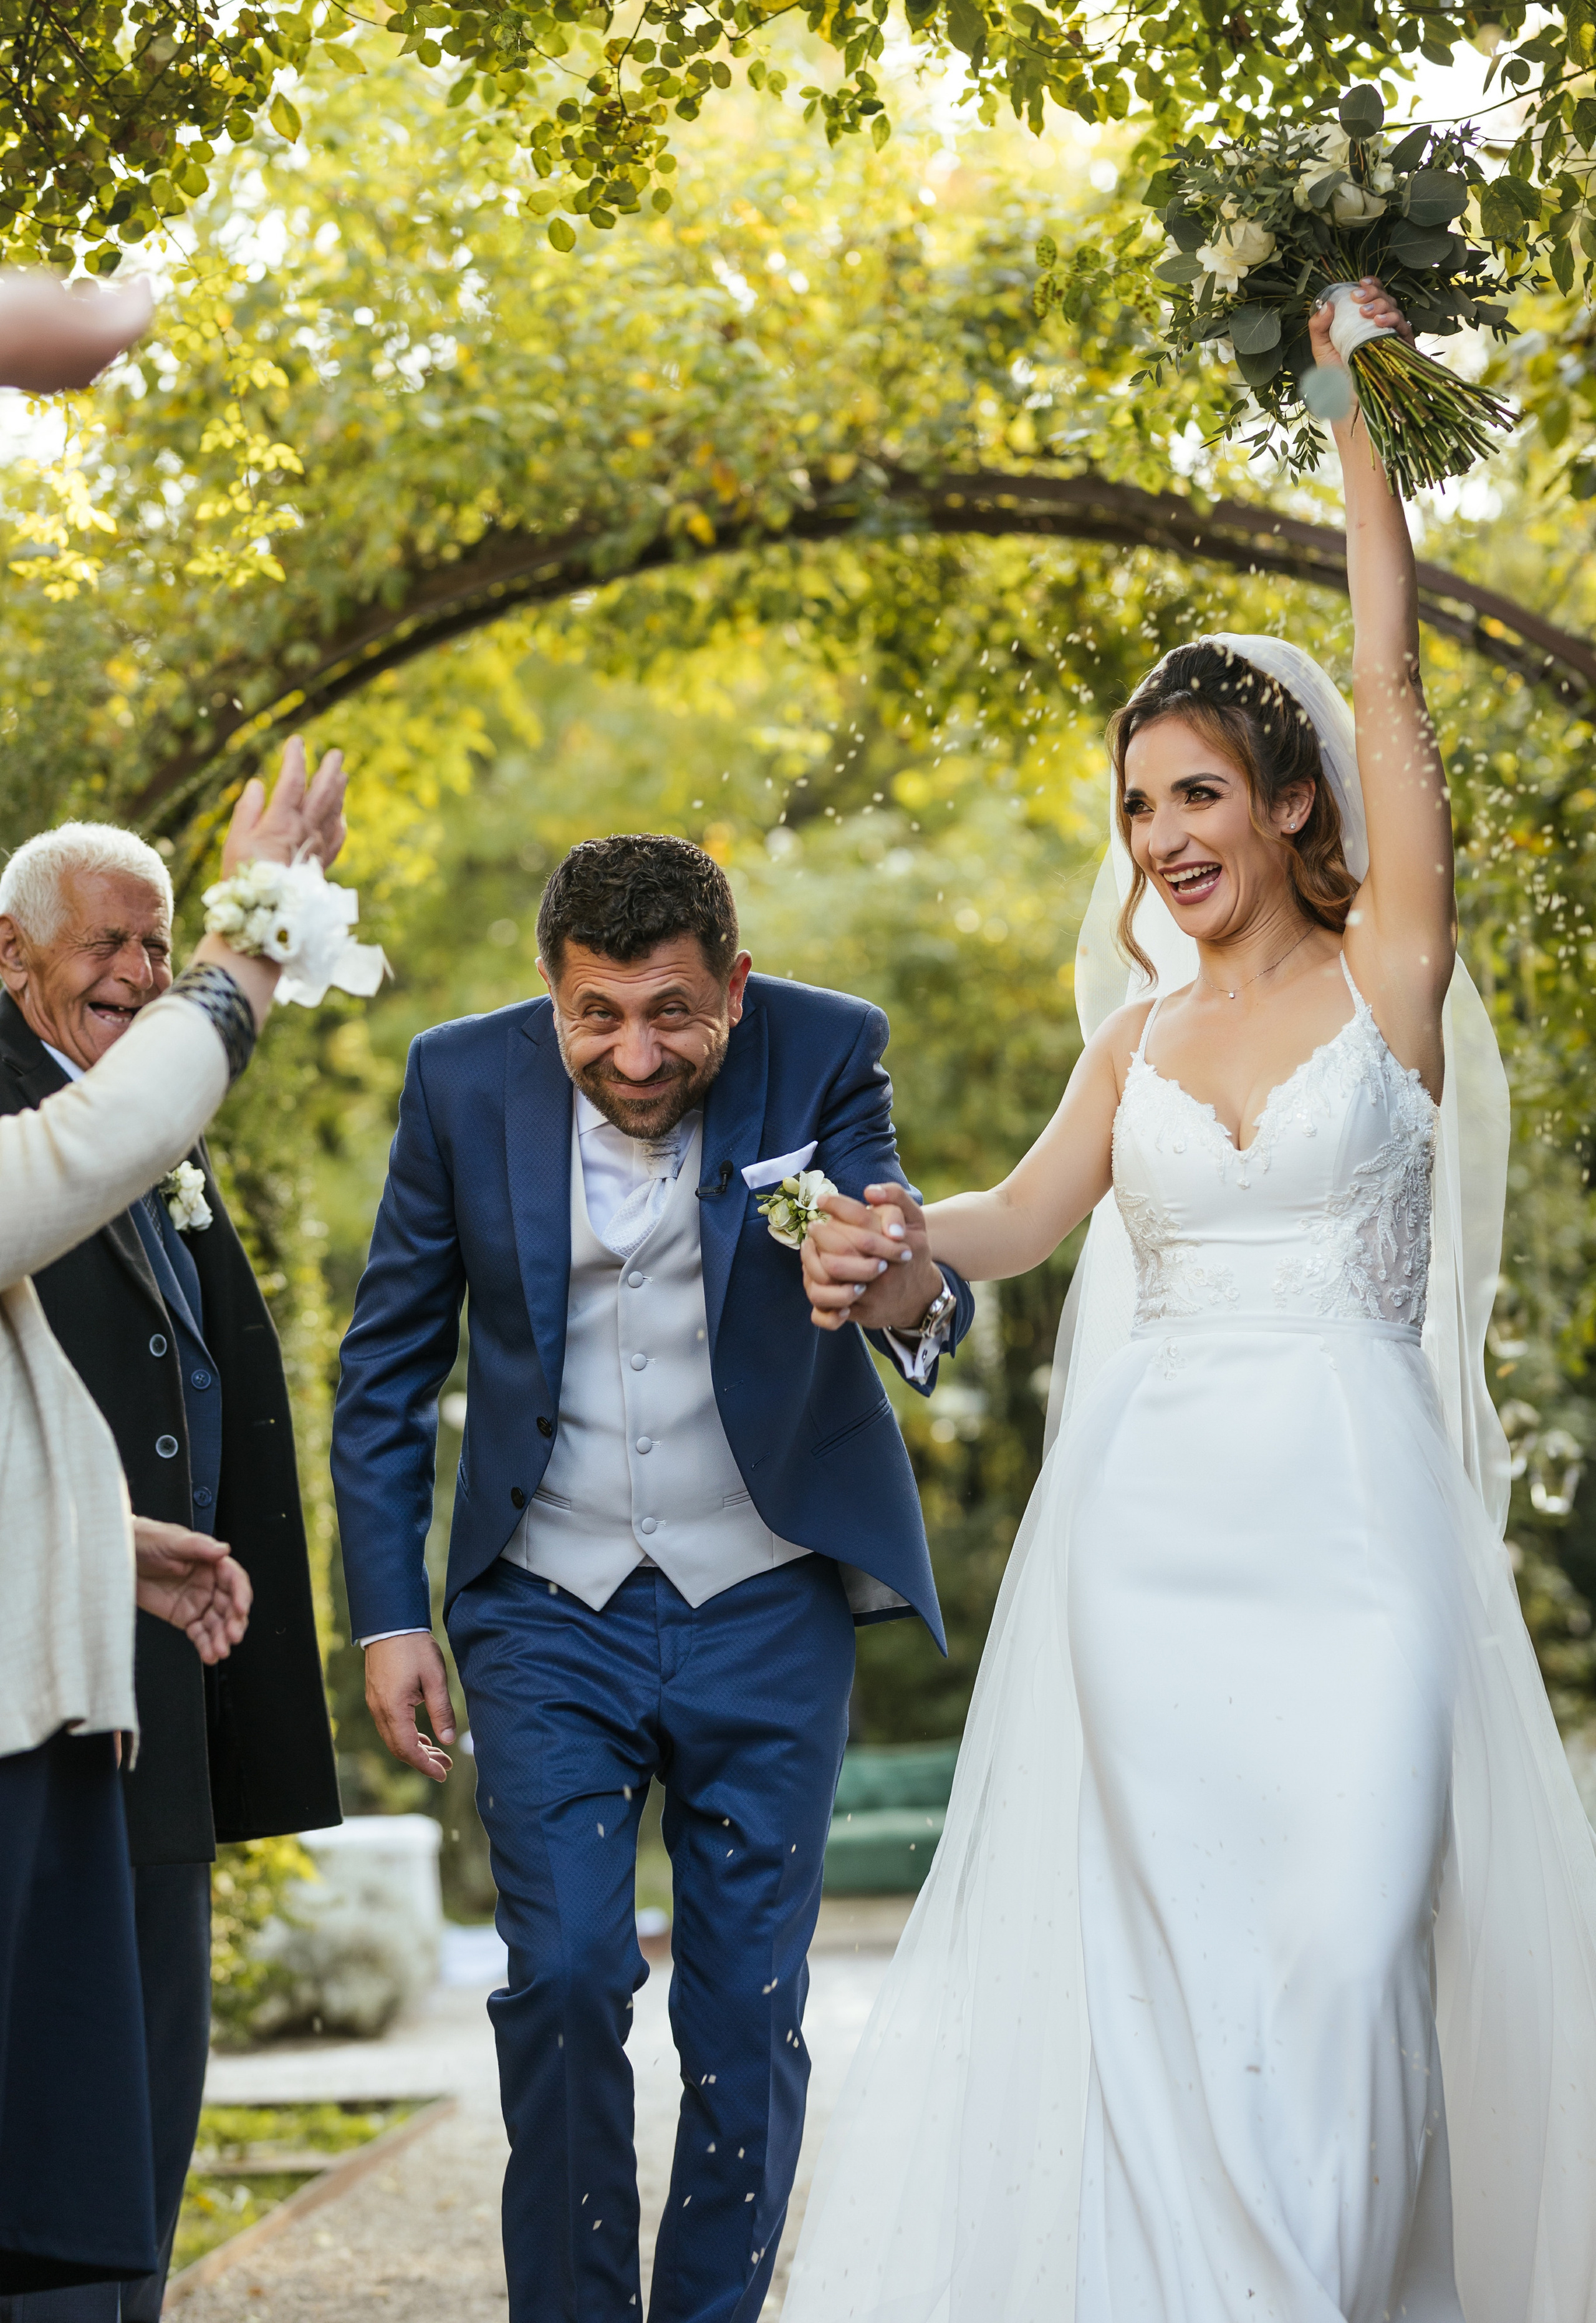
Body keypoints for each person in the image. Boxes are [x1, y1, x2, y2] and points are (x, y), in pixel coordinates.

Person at [787, 281, 1596, 2317]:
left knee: (1339, 1944)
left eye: (1201, 795)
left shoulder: (1388, 985)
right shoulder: (1134, 1043)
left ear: (1294, 802)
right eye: (1140, 808)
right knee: (1181, 1971)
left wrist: (1347, 415)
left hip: (1358, 1521)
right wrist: (893, 1242)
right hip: (1148, 1538)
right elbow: (1012, 1222)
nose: (1165, 840)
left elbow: (1393, 682)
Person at [330, 833, 974, 2323]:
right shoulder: (456, 1080)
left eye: (673, 1013)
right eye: (596, 1015)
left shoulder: (825, 1048)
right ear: (549, 992)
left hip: (764, 1596)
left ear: (734, 990)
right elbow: (386, 1368)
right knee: (559, 1977)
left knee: (744, 2009)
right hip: (544, 1603)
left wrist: (891, 1278)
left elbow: (901, 1266)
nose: (633, 1052)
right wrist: (385, 1612)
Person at [0, 735, 351, 2302]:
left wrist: (101, 1533)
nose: (139, 973)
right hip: (38, 1689)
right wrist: (257, 928)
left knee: (111, 2108)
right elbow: (95, 1144)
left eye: (161, 945)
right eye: (110, 944)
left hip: (124, 1665)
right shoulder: (50, 1121)